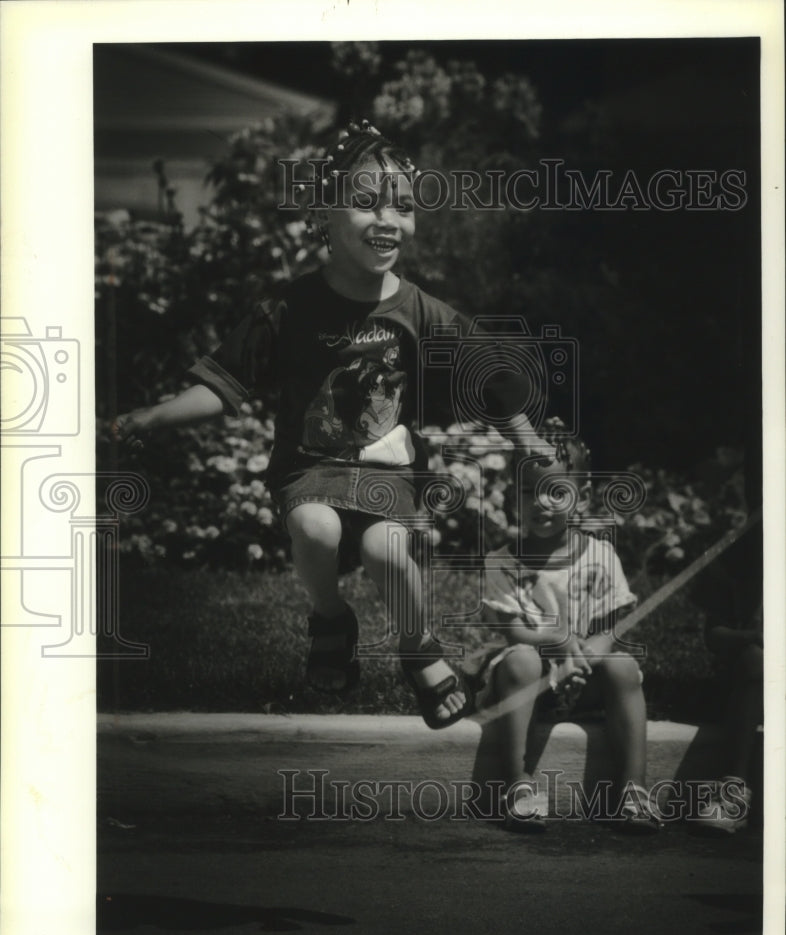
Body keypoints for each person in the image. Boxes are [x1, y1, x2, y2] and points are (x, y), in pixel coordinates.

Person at [113, 119, 554, 730]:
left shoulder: (418, 308)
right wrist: (153, 415)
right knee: (315, 530)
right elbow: (223, 383)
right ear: (324, 211)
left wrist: (529, 442)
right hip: (311, 467)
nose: (388, 220)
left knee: (390, 552)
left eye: (403, 207)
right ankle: (329, 618)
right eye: (367, 202)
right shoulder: (290, 309)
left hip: (388, 474)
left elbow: (489, 376)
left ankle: (416, 645)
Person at [473, 419, 662, 833]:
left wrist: (587, 655)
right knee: (520, 661)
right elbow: (513, 633)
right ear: (512, 498)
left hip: (585, 679)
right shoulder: (502, 562)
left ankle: (633, 790)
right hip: (529, 685)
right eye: (528, 491)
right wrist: (555, 641)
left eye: (555, 491)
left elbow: (611, 628)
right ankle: (517, 784)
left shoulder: (600, 556)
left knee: (624, 668)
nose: (541, 502)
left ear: (583, 495)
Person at [690, 515, 763, 834]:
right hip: (754, 671)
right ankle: (734, 788)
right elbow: (714, 635)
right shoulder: (739, 552)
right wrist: (752, 637)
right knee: (755, 662)